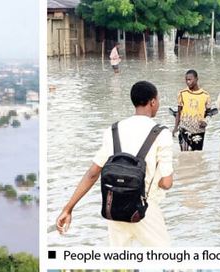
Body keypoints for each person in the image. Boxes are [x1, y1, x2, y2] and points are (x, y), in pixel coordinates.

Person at [55, 81, 174, 247]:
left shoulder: (113, 130)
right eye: (158, 100)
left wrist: (68, 208)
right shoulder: (162, 133)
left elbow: (92, 173)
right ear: (153, 101)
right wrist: (158, 179)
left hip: (114, 208)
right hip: (145, 209)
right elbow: (167, 183)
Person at [175, 70, 211, 151]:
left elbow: (209, 113)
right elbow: (179, 112)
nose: (188, 82)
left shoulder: (205, 95)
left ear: (196, 79)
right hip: (184, 129)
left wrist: (206, 121)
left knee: (197, 155)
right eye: (186, 80)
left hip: (198, 130)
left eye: (190, 79)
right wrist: (175, 128)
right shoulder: (182, 93)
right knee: (184, 155)